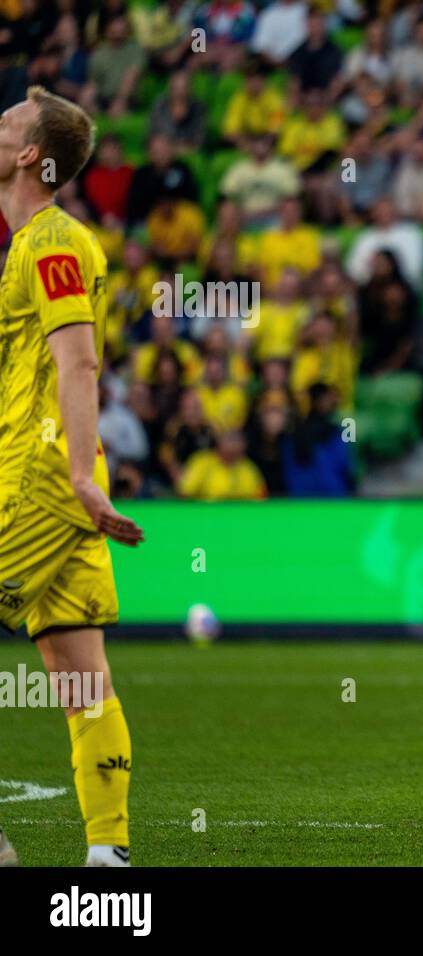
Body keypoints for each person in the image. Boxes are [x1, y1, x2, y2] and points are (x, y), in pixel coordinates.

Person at [0, 86, 144, 867]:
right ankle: (106, 856)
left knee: (78, 672)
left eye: (6, 124)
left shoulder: (53, 241)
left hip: (43, 480)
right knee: (78, 671)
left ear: (30, 153)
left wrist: (83, 484)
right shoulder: (33, 244)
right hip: (60, 477)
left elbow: (78, 359)